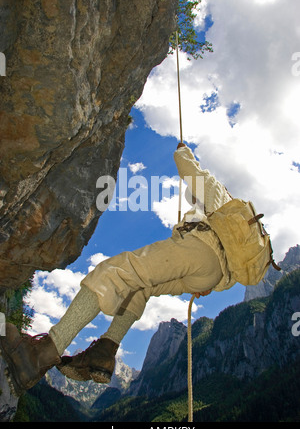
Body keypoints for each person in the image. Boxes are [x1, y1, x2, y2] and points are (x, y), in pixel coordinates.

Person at [0, 143, 236, 397]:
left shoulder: (220, 196)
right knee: (140, 287)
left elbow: (191, 171)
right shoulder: (228, 229)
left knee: (114, 271)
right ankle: (104, 351)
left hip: (201, 254)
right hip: (210, 273)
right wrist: (208, 282)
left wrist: (183, 152)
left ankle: (41, 353)